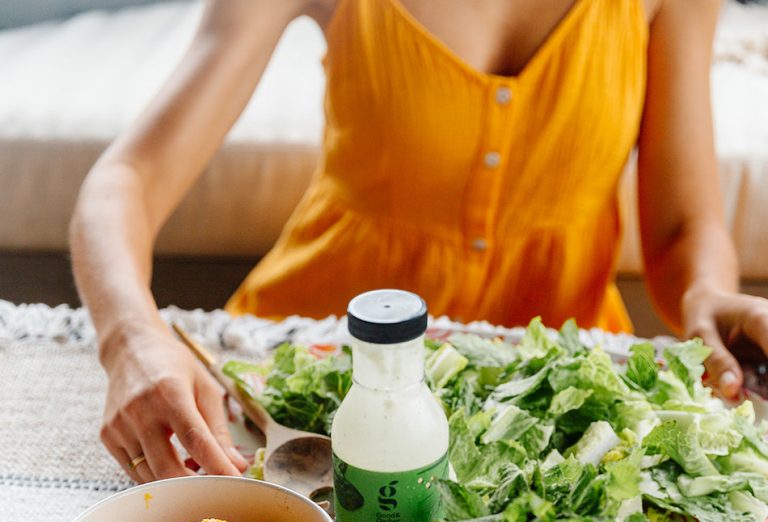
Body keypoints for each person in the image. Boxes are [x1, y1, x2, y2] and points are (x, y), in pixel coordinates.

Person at [69, 0, 768, 482]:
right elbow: (127, 177)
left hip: (551, 415)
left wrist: (708, 297)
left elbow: (683, 228)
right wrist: (127, 338)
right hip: (303, 400)